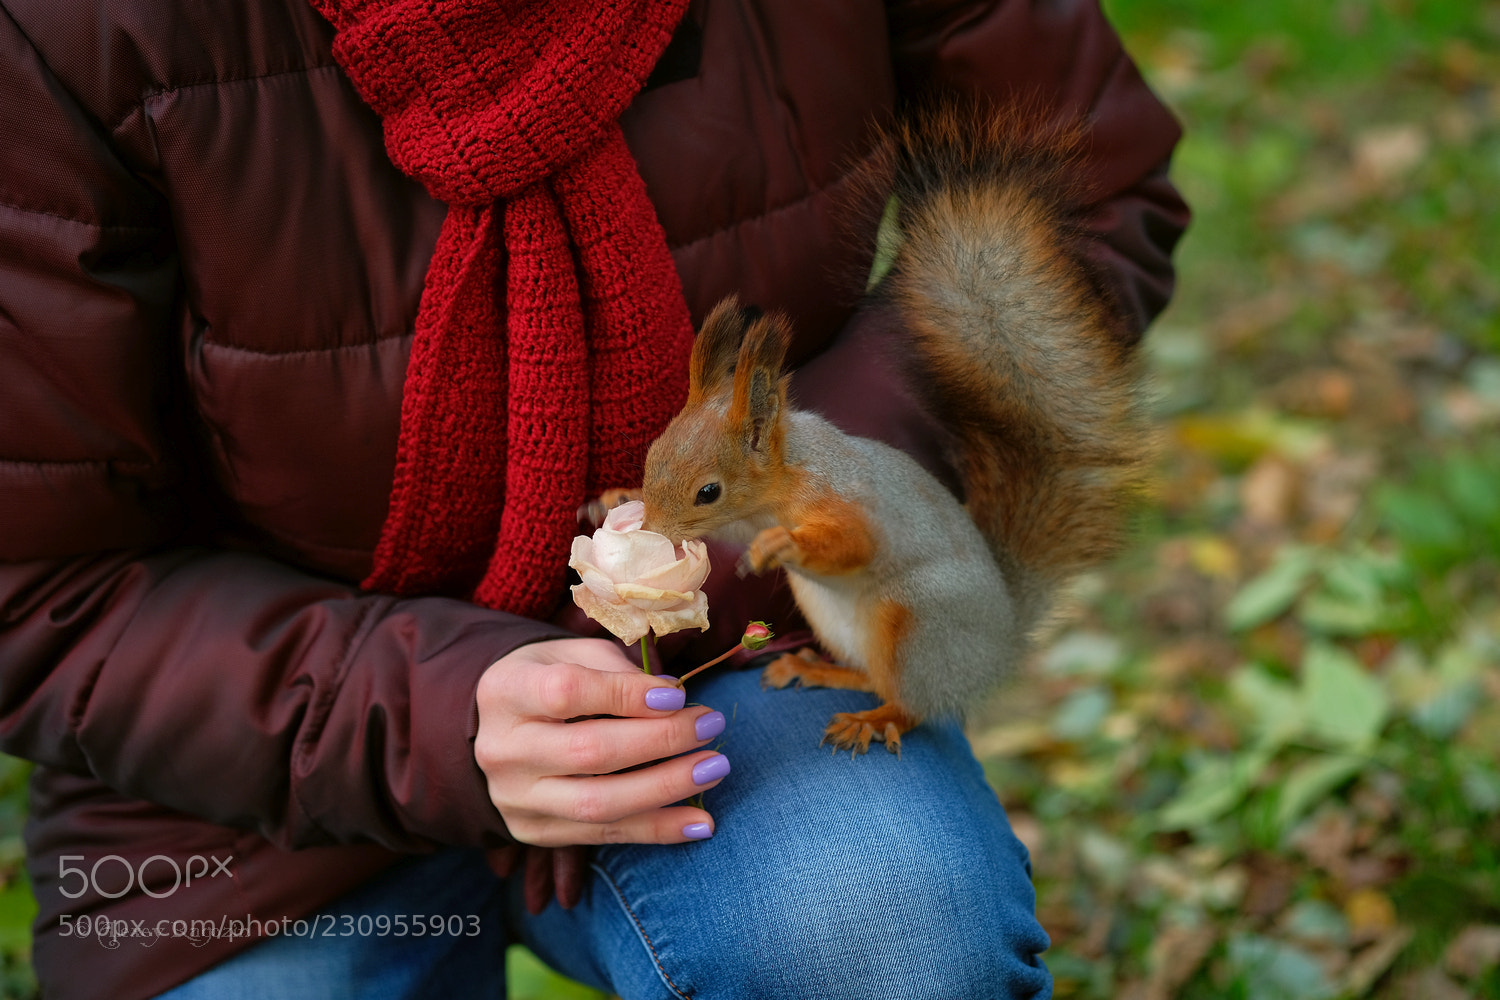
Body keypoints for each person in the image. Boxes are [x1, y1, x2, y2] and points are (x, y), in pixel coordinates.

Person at [0, 0, 1187, 997]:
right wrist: (431, 712)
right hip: (262, 759)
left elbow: (1079, 191)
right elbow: (38, 584)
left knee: (881, 930)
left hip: (730, 646)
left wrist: (757, 531)